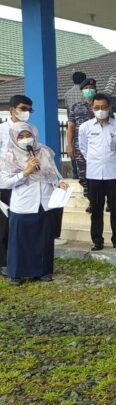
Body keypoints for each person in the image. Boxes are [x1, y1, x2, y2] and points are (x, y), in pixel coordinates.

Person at [0, 122, 68, 285]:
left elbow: (54, 173)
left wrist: (60, 183)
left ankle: (43, 271)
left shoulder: (44, 151)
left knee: (44, 239)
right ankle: (16, 273)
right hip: (23, 203)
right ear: (14, 138)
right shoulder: (9, 156)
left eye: (28, 135)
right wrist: (25, 172)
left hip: (45, 202)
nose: (26, 139)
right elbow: (4, 182)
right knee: (20, 240)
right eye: (21, 136)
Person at [78, 93, 116, 251]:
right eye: (97, 107)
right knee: (96, 210)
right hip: (94, 175)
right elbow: (83, 148)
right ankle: (97, 241)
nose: (100, 110)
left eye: (104, 107)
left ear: (109, 107)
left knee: (115, 210)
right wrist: (96, 161)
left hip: (115, 175)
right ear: (92, 108)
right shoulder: (85, 127)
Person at [0, 95, 39, 278]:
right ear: (12, 109)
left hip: (26, 182)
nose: (26, 112)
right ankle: (4, 262)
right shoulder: (2, 130)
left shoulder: (32, 130)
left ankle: (23, 260)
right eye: (23, 108)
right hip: (5, 182)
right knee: (4, 224)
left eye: (29, 109)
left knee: (21, 224)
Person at [67, 78, 97, 209]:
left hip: (98, 148)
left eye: (91, 88)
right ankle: (92, 201)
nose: (89, 90)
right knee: (83, 176)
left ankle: (104, 199)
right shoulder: (76, 107)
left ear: (96, 90)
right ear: (82, 91)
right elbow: (71, 127)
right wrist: (69, 145)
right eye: (86, 88)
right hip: (80, 148)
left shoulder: (101, 106)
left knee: (99, 175)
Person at [64, 71, 86, 180]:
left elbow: (68, 111)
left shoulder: (67, 94)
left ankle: (75, 173)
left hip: (72, 125)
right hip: (85, 124)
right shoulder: (85, 93)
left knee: (73, 148)